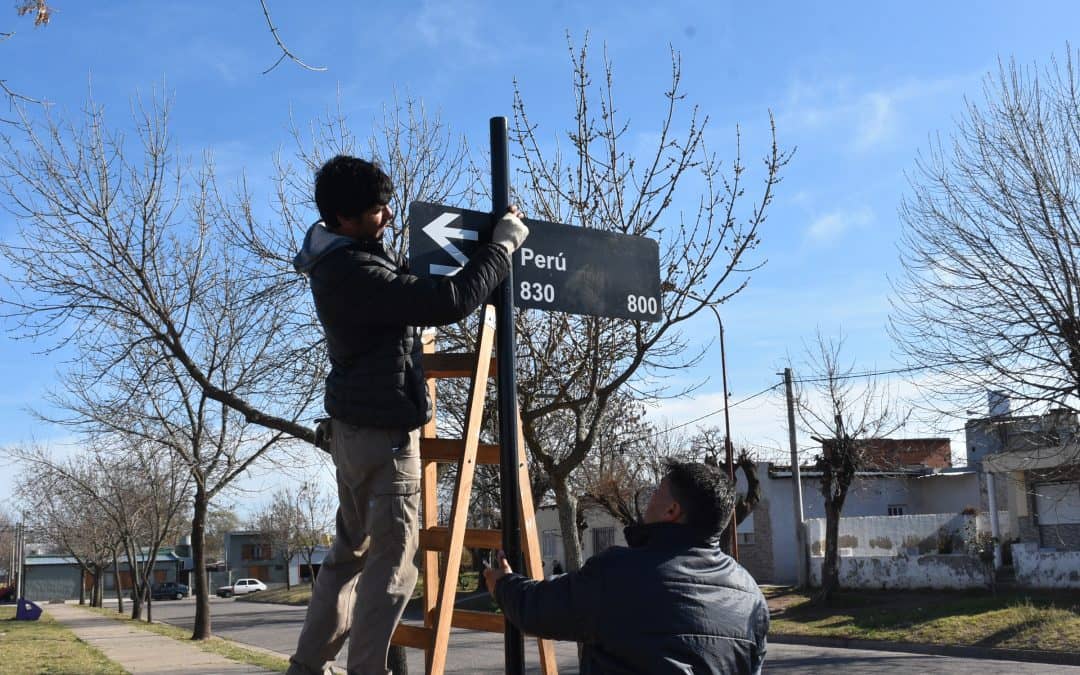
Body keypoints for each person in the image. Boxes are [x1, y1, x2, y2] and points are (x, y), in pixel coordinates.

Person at [287, 155, 529, 675]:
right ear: (345, 219)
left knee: (348, 557)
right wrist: (503, 245)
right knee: (393, 571)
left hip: (353, 433)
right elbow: (452, 300)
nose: (390, 216)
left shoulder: (338, 258)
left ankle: (308, 667)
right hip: (384, 436)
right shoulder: (356, 271)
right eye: (378, 210)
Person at [484, 461, 769, 674]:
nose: (649, 498)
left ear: (672, 510)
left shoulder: (619, 573)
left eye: (657, 491)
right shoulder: (751, 595)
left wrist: (503, 583)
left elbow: (540, 609)